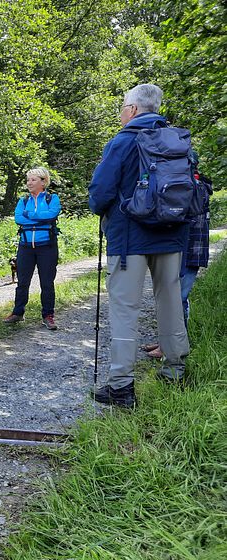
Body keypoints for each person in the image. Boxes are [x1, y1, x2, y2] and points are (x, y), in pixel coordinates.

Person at [88, 83, 190, 408]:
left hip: (129, 239)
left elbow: (100, 193)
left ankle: (121, 387)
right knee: (171, 301)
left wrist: (100, 208)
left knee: (125, 310)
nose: (121, 113)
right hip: (172, 235)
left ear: (132, 110)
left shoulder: (122, 142)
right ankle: (175, 370)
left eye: (122, 107)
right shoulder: (179, 141)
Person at [142, 174, 212, 358]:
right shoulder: (194, 185)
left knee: (178, 298)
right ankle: (167, 342)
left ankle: (174, 347)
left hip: (190, 251)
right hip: (186, 249)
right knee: (172, 297)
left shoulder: (195, 187)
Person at [3, 167, 61, 330]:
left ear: (44, 182)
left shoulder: (52, 198)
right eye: (28, 180)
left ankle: (48, 316)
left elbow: (51, 215)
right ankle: (17, 312)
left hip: (47, 247)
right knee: (22, 281)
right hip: (26, 246)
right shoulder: (23, 200)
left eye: (33, 180)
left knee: (47, 283)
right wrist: (36, 218)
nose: (29, 183)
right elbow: (18, 218)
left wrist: (30, 216)